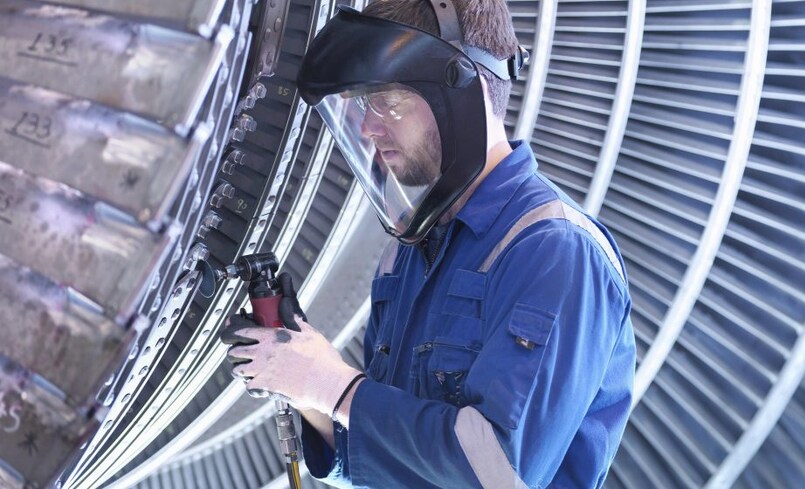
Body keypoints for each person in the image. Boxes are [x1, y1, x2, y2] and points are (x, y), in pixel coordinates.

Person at [220, 1, 636, 487]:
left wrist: (334, 387)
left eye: (389, 102)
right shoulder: (408, 253)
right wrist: (305, 382)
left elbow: (498, 474)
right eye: (365, 104)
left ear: (464, 93)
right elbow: (393, 463)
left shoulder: (555, 253)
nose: (368, 128)